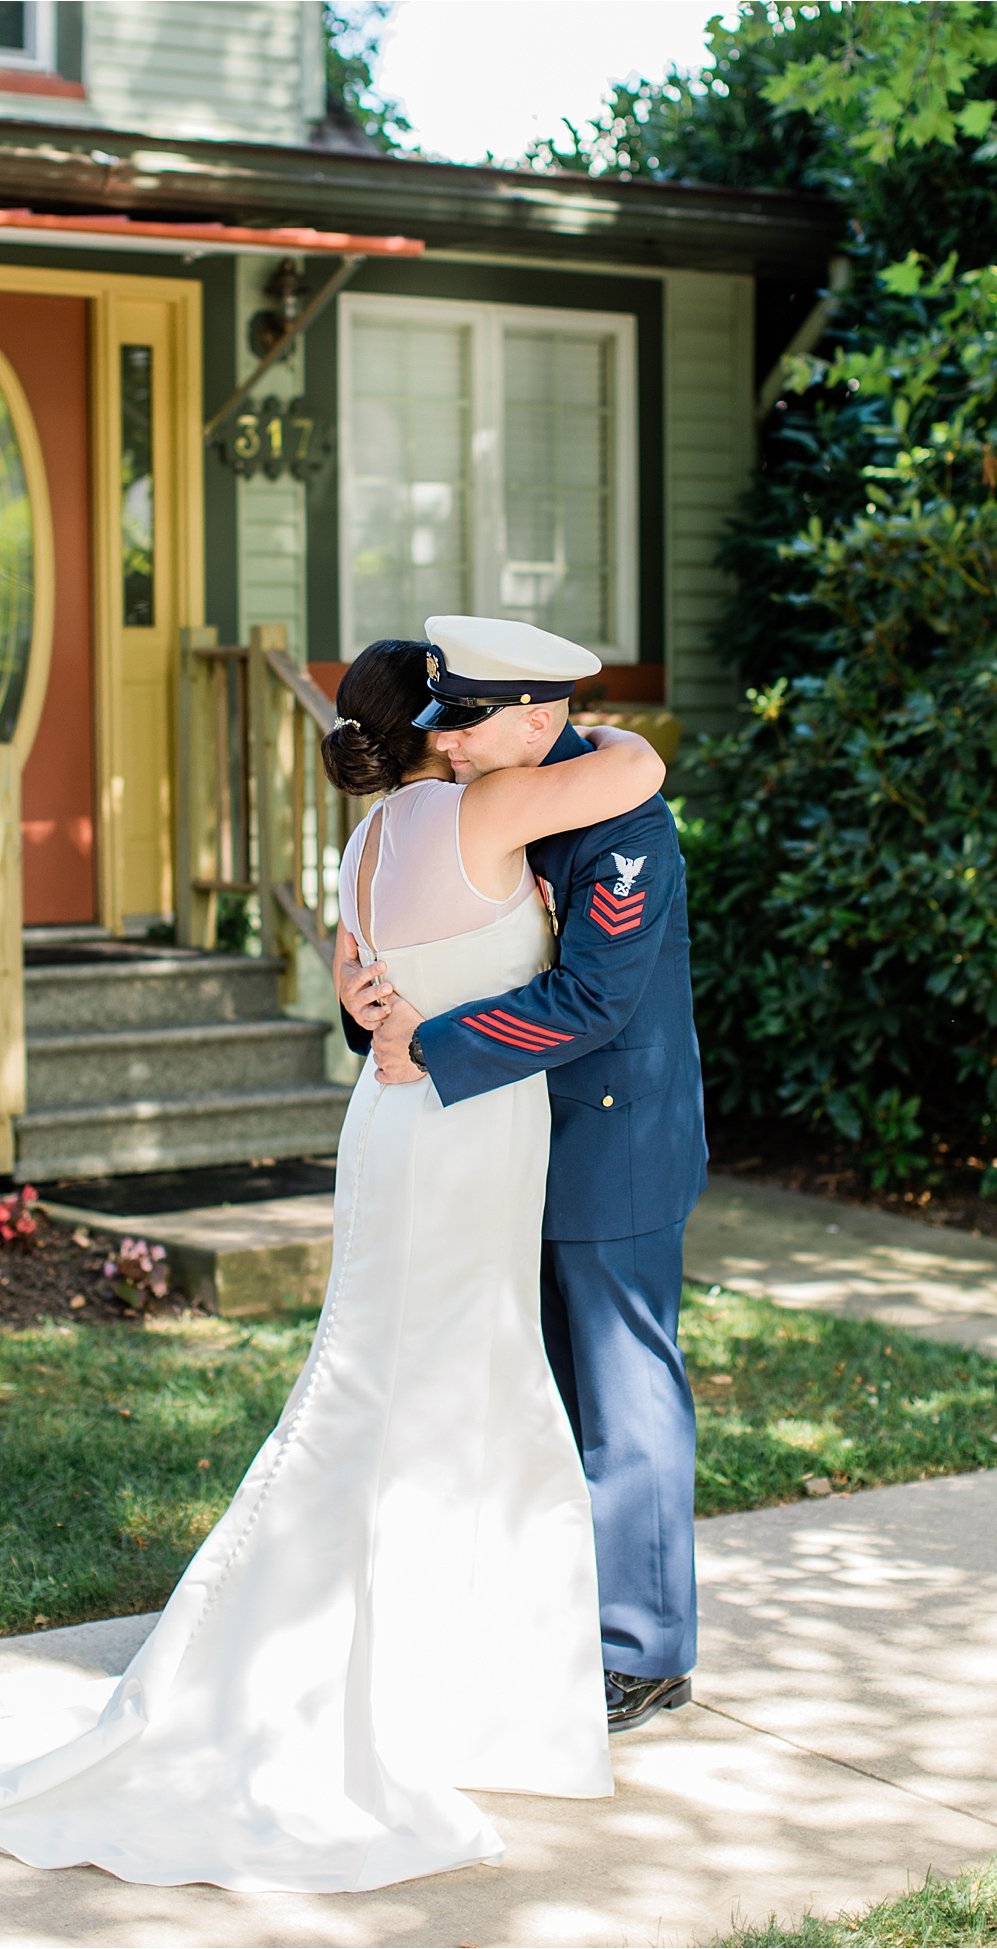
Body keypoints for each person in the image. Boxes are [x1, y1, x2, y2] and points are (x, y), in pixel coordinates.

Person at [0, 634, 666, 1894]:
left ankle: (427, 1679)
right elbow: (634, 766)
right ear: (438, 721)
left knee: (393, 1382)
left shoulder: (365, 840)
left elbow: (364, 994)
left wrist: (399, 1007)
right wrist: (571, 721)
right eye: (456, 707)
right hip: (462, 1130)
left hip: (395, 1123)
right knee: (434, 1389)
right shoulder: (486, 809)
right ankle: (399, 1690)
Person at [342, 616, 707, 1736]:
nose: (445, 742)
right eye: (441, 720)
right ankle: (552, 1618)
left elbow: (593, 999)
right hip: (505, 1140)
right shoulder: (490, 799)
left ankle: (643, 1650)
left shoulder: (624, 822)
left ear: (539, 719)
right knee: (538, 1386)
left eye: (465, 722)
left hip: (612, 1137)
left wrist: (429, 1044)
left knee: (623, 1392)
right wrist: (372, 1010)